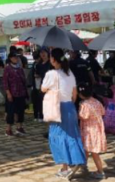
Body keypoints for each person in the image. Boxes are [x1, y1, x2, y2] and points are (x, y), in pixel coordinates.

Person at [42, 48, 86, 179]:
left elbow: (43, 88)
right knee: (73, 135)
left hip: (57, 108)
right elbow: (74, 93)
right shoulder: (69, 73)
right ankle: (77, 159)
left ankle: (65, 168)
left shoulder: (51, 74)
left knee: (58, 136)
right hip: (70, 107)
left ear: (53, 60)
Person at [78, 84, 107, 179]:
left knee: (93, 152)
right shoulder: (97, 101)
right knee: (87, 149)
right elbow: (103, 112)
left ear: (81, 94)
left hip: (89, 131)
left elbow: (84, 116)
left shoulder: (84, 104)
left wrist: (77, 114)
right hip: (97, 129)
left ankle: (100, 172)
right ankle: (83, 165)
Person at [3, 52, 28, 136]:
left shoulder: (20, 68)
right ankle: (8, 129)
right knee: (11, 111)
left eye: (17, 57)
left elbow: (24, 80)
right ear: (10, 58)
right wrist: (8, 93)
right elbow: (5, 82)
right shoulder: (7, 68)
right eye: (14, 57)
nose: (16, 59)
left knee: (20, 111)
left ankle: (19, 127)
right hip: (12, 93)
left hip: (21, 92)